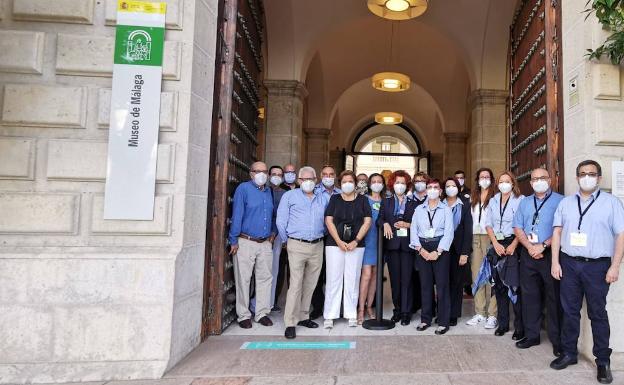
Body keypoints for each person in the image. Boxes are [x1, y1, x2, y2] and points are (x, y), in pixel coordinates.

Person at [550, 160, 624, 384]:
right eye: (582, 173)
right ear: (577, 177)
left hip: (597, 266)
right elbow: (557, 233)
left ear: (599, 178)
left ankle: (603, 361)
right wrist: (555, 262)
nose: (587, 177)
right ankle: (569, 353)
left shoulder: (612, 203)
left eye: (591, 174)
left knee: (597, 313)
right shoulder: (566, 203)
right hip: (569, 263)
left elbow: (621, 235)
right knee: (570, 311)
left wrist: (615, 266)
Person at [512, 167, 563, 354]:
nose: (538, 181)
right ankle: (532, 335)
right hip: (528, 254)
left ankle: (557, 341)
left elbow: (563, 227)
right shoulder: (525, 202)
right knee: (529, 296)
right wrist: (530, 247)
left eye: (542, 178)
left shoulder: (561, 201)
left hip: (550, 254)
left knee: (553, 298)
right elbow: (517, 227)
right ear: (531, 182)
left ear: (549, 180)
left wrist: (543, 245)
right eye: (535, 179)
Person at [276, 166, 328, 339]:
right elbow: (281, 221)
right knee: (296, 284)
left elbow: (329, 221)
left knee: (311, 284)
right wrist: (286, 240)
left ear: (316, 180)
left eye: (311, 179)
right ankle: (290, 322)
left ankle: (304, 315)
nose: (308, 182)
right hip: (296, 244)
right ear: (299, 180)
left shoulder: (323, 198)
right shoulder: (289, 196)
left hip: (317, 245)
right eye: (304, 179)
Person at [228, 161, 275, 329]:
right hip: (245, 241)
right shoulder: (243, 189)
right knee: (243, 279)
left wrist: (272, 233)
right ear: (251, 173)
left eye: (264, 171)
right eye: (257, 171)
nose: (261, 174)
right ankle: (243, 315)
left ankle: (261, 313)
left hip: (264, 243)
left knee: (265, 278)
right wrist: (233, 239)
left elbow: (272, 214)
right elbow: (237, 214)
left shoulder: (268, 191)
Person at [323, 170, 372, 328]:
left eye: (350, 181)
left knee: (352, 279)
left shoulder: (363, 200)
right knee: (333, 279)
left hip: (356, 245)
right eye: (344, 182)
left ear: (355, 183)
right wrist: (338, 241)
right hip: (334, 244)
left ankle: (351, 313)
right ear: (340, 183)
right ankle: (330, 315)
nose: (347, 184)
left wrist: (356, 241)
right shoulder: (335, 198)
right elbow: (328, 220)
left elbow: (367, 221)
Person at [410, 178, 454, 335]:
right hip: (422, 247)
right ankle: (425, 319)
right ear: (426, 190)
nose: (433, 189)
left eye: (436, 187)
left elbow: (449, 232)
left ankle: (443, 321)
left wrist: (438, 251)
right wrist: (420, 250)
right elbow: (413, 231)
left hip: (439, 247)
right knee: (425, 285)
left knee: (442, 286)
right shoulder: (419, 209)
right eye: (430, 187)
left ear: (440, 191)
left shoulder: (446, 209)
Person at [484, 171, 524, 339]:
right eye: (501, 181)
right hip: (497, 245)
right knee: (499, 287)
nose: (504, 184)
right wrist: (495, 243)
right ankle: (503, 324)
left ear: (513, 183)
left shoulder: (520, 200)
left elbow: (522, 224)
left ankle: (519, 327)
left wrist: (514, 244)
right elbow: (488, 224)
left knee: (514, 286)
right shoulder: (493, 200)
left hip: (513, 243)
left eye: (507, 181)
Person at [379, 170, 419, 325]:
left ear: (407, 185)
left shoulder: (414, 203)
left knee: (407, 280)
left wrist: (407, 224)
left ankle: (406, 312)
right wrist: (386, 223)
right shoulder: (386, 201)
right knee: (395, 281)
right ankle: (397, 310)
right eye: (397, 183)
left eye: (403, 183)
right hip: (392, 246)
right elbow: (379, 219)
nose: (400, 186)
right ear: (392, 185)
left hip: (408, 246)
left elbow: (419, 223)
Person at [250, 165, 286, 313]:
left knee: (272, 270)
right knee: (255, 272)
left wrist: (275, 233)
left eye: (279, 174)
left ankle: (268, 304)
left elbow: (281, 216)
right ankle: (253, 303)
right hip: (258, 236)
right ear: (269, 175)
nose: (276, 176)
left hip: (274, 236)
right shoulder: (262, 191)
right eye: (273, 174)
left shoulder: (285, 193)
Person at [466, 167, 498, 329]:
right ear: (477, 179)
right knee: (477, 275)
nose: (484, 179)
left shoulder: (496, 196)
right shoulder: (473, 196)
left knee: (492, 276)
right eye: (481, 176)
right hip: (475, 238)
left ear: (492, 179)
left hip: (491, 237)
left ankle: (492, 314)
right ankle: (480, 312)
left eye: (487, 176)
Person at [310, 165, 341, 319]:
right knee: (317, 274)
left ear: (335, 176)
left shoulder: (341, 193)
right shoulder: (313, 191)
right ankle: (318, 306)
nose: (328, 177)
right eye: (325, 174)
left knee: (334, 274)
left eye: (331, 174)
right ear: (320, 176)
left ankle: (334, 306)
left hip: (337, 240)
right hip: (319, 238)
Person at [442, 177, 473, 326]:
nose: (450, 188)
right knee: (443, 282)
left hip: (459, 249)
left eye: (453, 185)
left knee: (456, 282)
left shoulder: (465, 205)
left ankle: (453, 313)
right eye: (447, 186)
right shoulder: (439, 204)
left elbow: (468, 231)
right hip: (441, 249)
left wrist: (465, 253)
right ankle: (443, 312)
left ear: (459, 188)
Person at [358, 173, 385, 324]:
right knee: (366, 274)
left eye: (379, 181)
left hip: (381, 242)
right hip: (366, 240)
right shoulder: (363, 200)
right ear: (369, 184)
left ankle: (370, 306)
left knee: (375, 275)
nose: (376, 184)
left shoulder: (386, 201)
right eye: (373, 181)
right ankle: (361, 308)